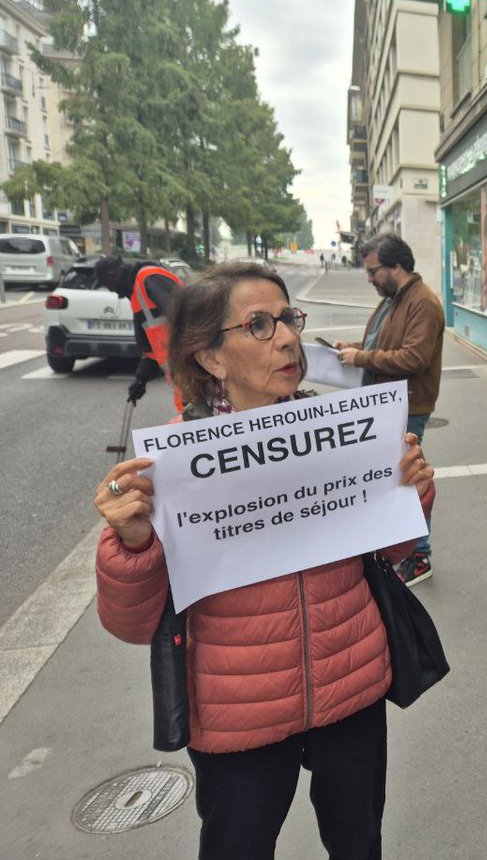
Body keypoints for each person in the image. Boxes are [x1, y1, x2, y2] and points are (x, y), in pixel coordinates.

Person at [93, 261, 437, 860]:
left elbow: (395, 552)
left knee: (359, 843)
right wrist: (132, 544)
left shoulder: (345, 434)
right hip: (238, 713)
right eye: (258, 324)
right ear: (209, 359)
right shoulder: (170, 471)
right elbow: (130, 623)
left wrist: (411, 492)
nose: (286, 338)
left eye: (287, 319)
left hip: (351, 686)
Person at [336, 234, 445, 585]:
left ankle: (420, 556)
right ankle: (402, 549)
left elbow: (414, 357)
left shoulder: (422, 302)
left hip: (407, 406)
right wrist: (352, 348)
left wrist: (362, 357)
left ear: (396, 266)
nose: (369, 279)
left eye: (373, 271)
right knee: (394, 480)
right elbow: (385, 344)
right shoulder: (396, 298)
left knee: (408, 481)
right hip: (388, 404)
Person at [94, 253, 184, 410]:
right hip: (185, 381)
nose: (109, 290)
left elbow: (186, 315)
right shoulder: (136, 295)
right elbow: (151, 348)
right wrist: (140, 379)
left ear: (112, 274)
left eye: (105, 283)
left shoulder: (148, 277)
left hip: (196, 375)